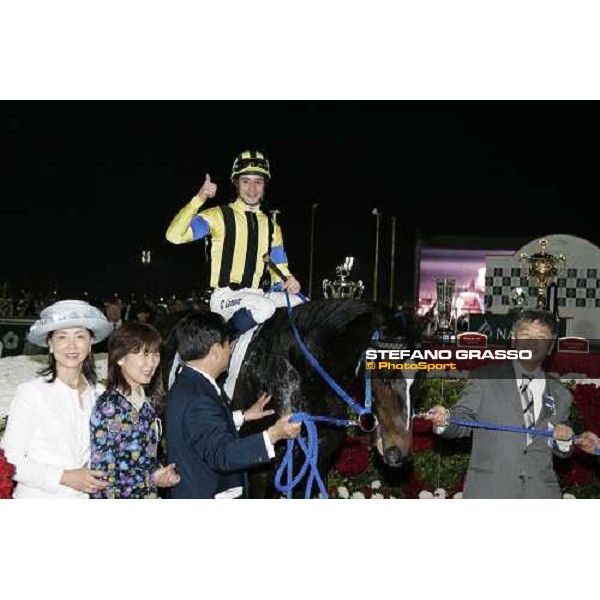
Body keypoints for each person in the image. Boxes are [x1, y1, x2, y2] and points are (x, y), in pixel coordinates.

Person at [425, 309, 574, 499]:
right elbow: (463, 417)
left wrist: (563, 441)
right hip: (490, 491)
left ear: (551, 346)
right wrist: (446, 420)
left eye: (541, 337)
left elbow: (563, 446)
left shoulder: (561, 394)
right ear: (513, 340)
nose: (532, 342)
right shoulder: (485, 377)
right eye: (526, 334)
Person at [165, 149, 302, 336]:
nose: (252, 188)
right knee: (264, 307)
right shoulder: (217, 215)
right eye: (246, 181)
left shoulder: (272, 227)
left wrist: (289, 281)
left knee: (301, 304)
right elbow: (174, 235)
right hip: (226, 297)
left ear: (264, 186)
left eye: (258, 182)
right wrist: (199, 199)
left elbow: (279, 269)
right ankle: (225, 342)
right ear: (236, 183)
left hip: (258, 294)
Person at [166, 311, 302, 499]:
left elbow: (199, 430)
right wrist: (274, 435)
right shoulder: (199, 397)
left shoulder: (189, 383)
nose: (231, 351)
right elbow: (223, 454)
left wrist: (243, 416)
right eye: (228, 346)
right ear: (214, 351)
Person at [1, 300, 113, 499]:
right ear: (50, 345)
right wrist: (63, 477)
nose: (71, 345)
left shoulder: (100, 394)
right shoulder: (32, 393)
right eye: (62, 337)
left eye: (80, 336)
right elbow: (10, 461)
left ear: (90, 344)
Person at [89, 322, 180, 499]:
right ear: (120, 358)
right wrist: (152, 479)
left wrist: (160, 473)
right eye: (143, 355)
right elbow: (102, 478)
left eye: (155, 354)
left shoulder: (147, 403)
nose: (151, 363)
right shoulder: (109, 408)